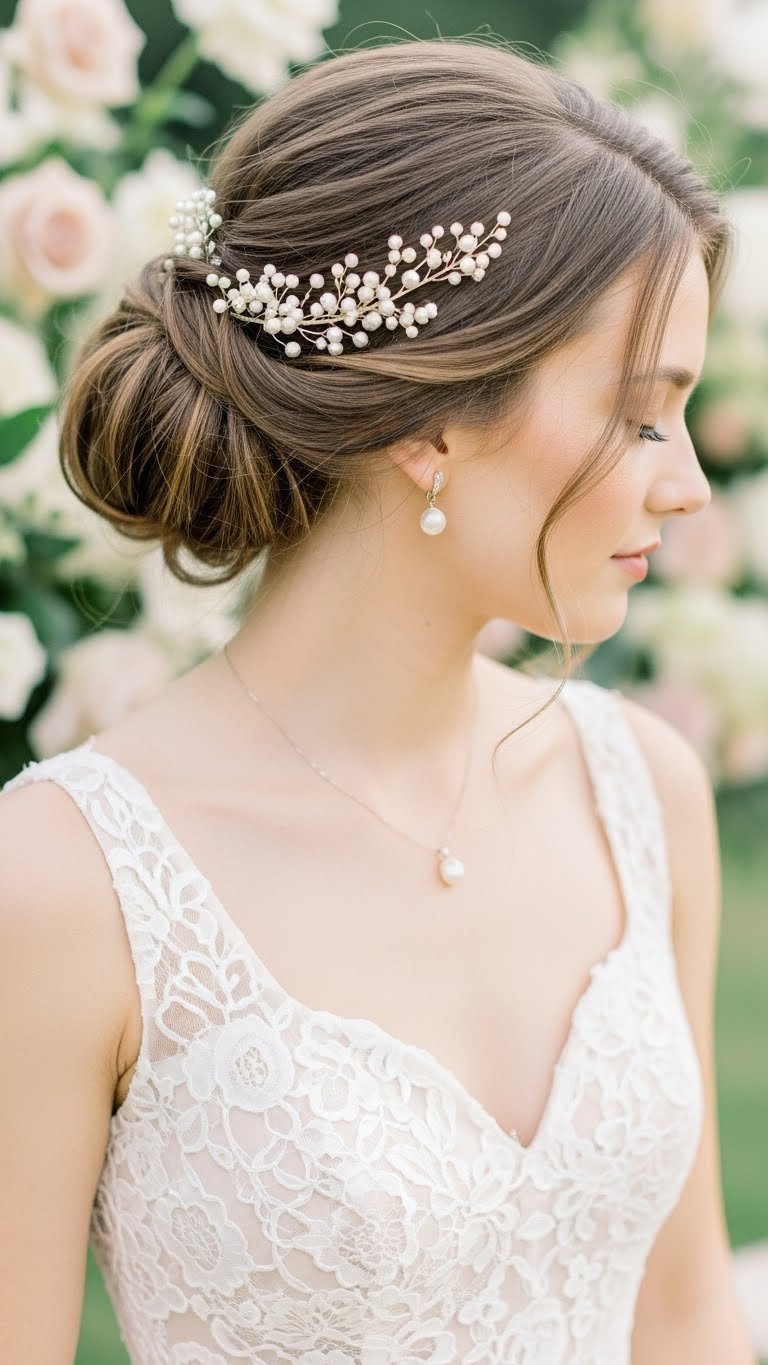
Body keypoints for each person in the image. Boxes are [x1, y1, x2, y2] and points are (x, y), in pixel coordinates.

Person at [0, 34, 757, 1365]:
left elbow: (684, 1314)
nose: (687, 483)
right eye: (642, 416)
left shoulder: (644, 788)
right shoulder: (65, 881)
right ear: (431, 420)